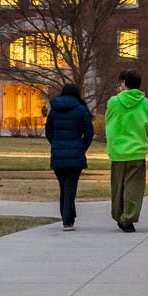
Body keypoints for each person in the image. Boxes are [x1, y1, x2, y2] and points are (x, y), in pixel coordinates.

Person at [105, 69, 148, 232]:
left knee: (118, 186)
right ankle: (128, 217)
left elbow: (108, 121)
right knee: (134, 187)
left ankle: (118, 214)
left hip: (117, 151)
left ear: (124, 82)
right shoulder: (146, 103)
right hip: (137, 150)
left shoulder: (113, 101)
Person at [44, 83, 94, 231]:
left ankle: (68, 216)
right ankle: (67, 220)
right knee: (70, 187)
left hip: (58, 154)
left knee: (63, 187)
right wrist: (82, 147)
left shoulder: (54, 110)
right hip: (75, 153)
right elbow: (89, 133)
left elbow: (48, 132)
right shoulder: (81, 110)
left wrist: (56, 144)